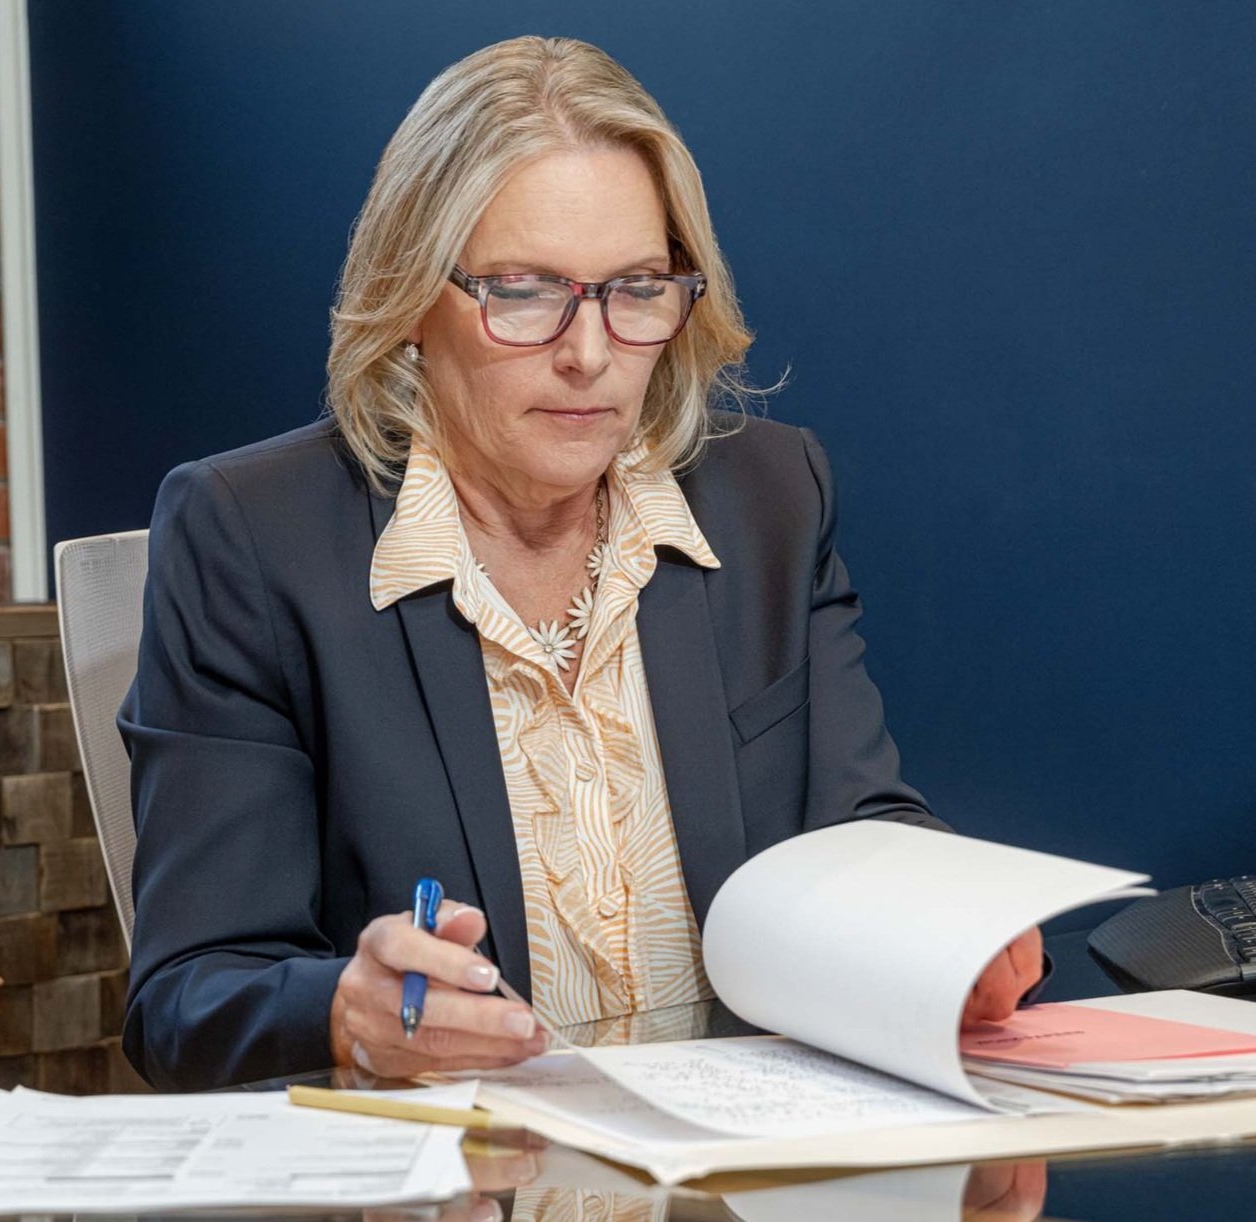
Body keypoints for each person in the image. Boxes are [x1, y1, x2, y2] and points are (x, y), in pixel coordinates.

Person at [118, 35, 1043, 1092]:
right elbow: (188, 992)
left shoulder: (770, 501)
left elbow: (857, 825)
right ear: (415, 298)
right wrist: (343, 1010)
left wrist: (946, 938)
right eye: (522, 291)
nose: (589, 352)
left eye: (637, 288)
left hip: (738, 1176)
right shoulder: (253, 535)